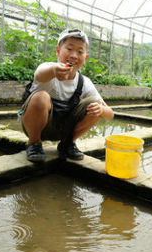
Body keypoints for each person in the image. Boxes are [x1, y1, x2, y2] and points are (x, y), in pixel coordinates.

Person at [19, 28, 114, 162]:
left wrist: (102, 110)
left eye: (80, 51)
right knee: (41, 97)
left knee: (96, 104)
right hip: (36, 126)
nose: (74, 55)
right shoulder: (47, 68)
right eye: (69, 49)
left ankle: (67, 143)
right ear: (58, 50)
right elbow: (40, 74)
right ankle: (34, 143)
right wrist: (54, 71)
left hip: (64, 129)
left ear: (85, 57)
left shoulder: (84, 82)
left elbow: (110, 114)